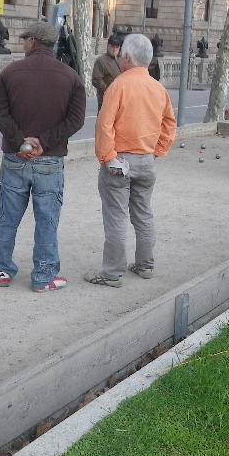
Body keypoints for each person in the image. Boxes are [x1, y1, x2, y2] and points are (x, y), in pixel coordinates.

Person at [0, 21, 87, 292]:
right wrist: (44, 142)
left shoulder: (10, 73)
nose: (23, 44)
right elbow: (76, 120)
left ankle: (2, 269)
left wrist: (21, 142)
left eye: (25, 40)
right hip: (50, 160)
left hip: (15, 157)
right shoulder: (71, 77)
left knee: (6, 217)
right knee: (47, 220)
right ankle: (44, 276)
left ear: (33, 41)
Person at [84, 33, 176, 288]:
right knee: (143, 214)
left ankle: (112, 273)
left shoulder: (119, 86)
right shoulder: (158, 88)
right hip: (146, 159)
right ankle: (145, 265)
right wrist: (157, 151)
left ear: (126, 58)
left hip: (120, 160)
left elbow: (104, 124)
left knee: (116, 217)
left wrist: (108, 157)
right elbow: (169, 124)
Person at [91, 33, 124, 109]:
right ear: (108, 46)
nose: (114, 49)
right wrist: (108, 90)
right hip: (106, 101)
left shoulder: (121, 60)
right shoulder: (101, 60)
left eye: (117, 47)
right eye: (112, 46)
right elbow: (96, 79)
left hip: (119, 100)